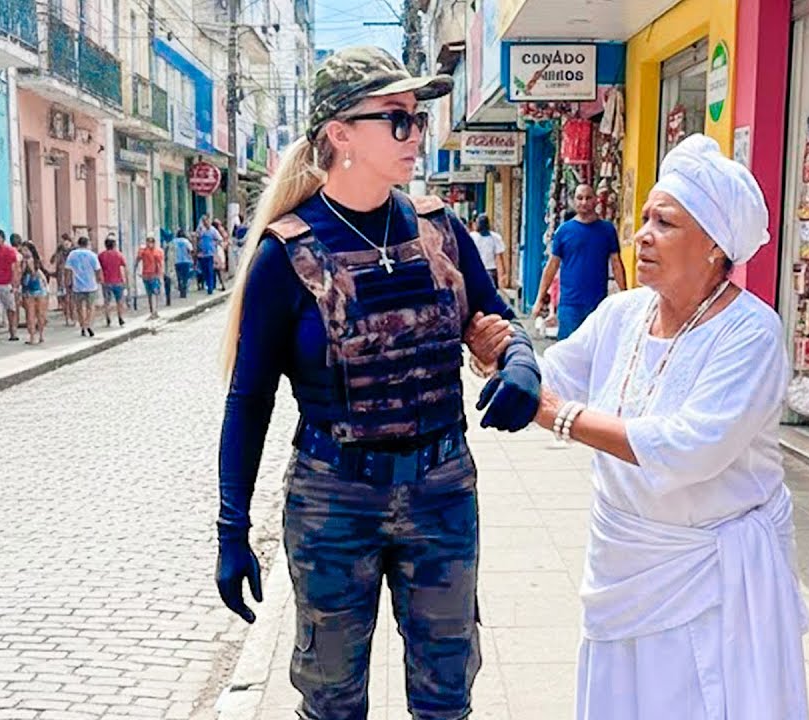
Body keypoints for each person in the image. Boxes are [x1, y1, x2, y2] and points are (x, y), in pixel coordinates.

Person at [214, 46, 541, 720]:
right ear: (340, 134)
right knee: (331, 701)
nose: (416, 133)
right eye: (397, 119)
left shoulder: (440, 232)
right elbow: (249, 401)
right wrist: (231, 527)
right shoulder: (287, 253)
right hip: (334, 502)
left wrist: (522, 364)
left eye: (418, 118)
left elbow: (497, 320)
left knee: (447, 696)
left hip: (442, 494)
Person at [472, 134, 809, 718]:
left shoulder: (750, 333)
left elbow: (692, 448)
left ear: (713, 245)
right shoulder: (622, 313)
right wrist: (501, 354)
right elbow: (553, 374)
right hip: (622, 560)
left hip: (706, 575)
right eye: (645, 217)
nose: (642, 234)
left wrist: (559, 416)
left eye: (666, 223)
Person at [530, 185, 627, 340]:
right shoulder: (564, 231)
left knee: (595, 353)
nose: (584, 202)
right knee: (567, 352)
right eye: (579, 198)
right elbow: (552, 266)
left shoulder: (607, 230)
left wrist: (624, 294)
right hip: (569, 305)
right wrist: (539, 299)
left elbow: (616, 263)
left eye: (588, 198)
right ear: (574, 201)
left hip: (597, 304)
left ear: (596, 200)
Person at [64, 237, 102, 338]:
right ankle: (88, 324)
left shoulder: (72, 254)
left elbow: (67, 269)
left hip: (77, 286)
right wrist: (99, 279)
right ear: (87, 244)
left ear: (78, 243)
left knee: (80, 308)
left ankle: (82, 327)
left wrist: (67, 282)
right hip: (91, 285)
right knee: (91, 307)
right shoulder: (92, 255)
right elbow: (98, 270)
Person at [18, 242, 50, 345]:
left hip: (34, 288)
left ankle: (35, 336)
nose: (24, 252)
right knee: (36, 313)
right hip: (33, 289)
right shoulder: (29, 261)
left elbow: (33, 273)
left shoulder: (32, 261)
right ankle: (38, 335)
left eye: (26, 250)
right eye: (23, 250)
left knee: (33, 314)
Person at [98, 235, 128, 328]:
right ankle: (120, 318)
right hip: (118, 281)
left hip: (106, 282)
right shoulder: (119, 254)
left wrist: (100, 279)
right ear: (114, 245)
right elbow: (124, 267)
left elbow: (99, 269)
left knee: (107, 302)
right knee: (120, 301)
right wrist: (126, 280)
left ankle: (108, 319)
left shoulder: (101, 255)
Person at [135, 235, 165, 320]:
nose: (150, 243)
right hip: (147, 275)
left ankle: (154, 311)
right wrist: (136, 269)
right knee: (150, 294)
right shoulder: (144, 251)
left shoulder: (156, 252)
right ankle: (153, 311)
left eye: (151, 241)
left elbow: (160, 264)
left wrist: (160, 274)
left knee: (154, 293)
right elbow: (138, 260)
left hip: (153, 275)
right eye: (149, 241)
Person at [471, 214, 505, 288]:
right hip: (490, 272)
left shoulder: (472, 237)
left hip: (477, 271)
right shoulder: (496, 237)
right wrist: (502, 276)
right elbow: (499, 258)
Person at [173, 230, 195, 298]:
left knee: (179, 277)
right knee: (185, 277)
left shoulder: (174, 241)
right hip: (186, 261)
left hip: (177, 261)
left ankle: (180, 288)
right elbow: (191, 250)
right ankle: (184, 290)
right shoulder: (186, 241)